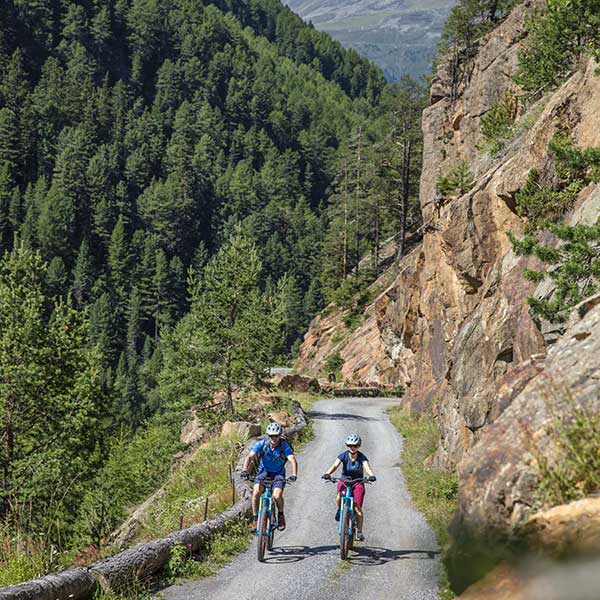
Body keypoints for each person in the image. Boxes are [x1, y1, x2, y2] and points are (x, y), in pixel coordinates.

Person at [240, 422, 298, 532]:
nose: (273, 439)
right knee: (256, 492)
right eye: (271, 436)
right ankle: (256, 519)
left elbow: (292, 460)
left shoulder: (283, 446)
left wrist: (294, 474)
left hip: (278, 474)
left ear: (279, 436)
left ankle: (280, 515)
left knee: (277, 495)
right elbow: (249, 456)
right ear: (268, 436)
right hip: (264, 472)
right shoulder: (262, 444)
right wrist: (244, 470)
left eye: (276, 436)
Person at [321, 433, 376, 541]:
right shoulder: (343, 455)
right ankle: (339, 509)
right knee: (339, 496)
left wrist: (371, 475)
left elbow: (367, 467)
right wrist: (328, 473)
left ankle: (359, 531)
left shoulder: (362, 457)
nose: (352, 448)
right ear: (347, 445)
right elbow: (335, 465)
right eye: (350, 445)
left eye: (355, 446)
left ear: (359, 446)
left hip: (358, 482)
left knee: (357, 509)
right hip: (344, 481)